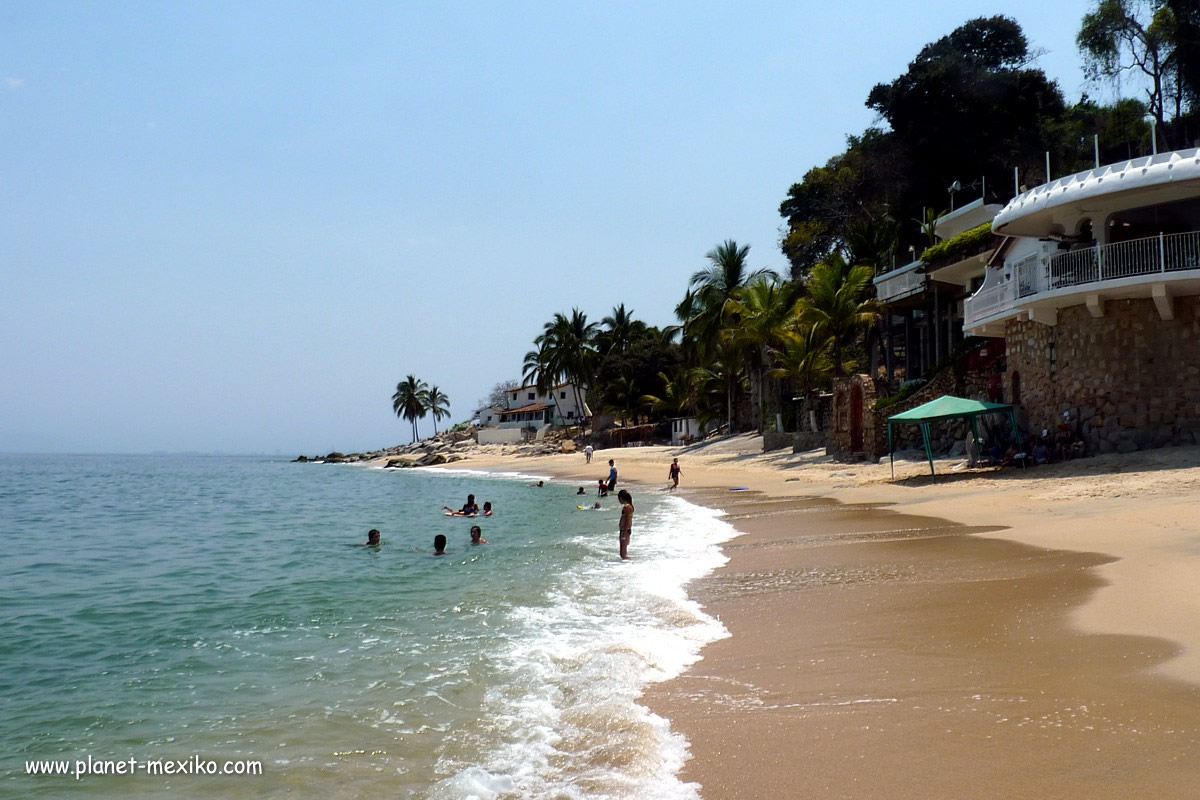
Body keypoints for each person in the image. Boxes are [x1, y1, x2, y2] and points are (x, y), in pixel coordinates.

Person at [617, 489, 634, 560]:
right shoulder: (629, 506)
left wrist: (624, 534)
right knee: (623, 553)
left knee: (623, 554)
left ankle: (630, 563)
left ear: (621, 498)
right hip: (625, 530)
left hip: (625, 530)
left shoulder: (627, 507)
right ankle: (627, 564)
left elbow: (627, 520)